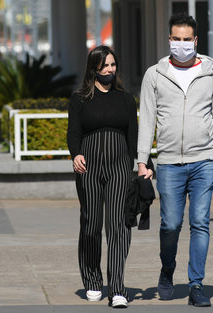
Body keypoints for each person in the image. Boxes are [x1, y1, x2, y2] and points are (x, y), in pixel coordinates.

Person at [137, 12, 213, 307]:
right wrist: (143, 160)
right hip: (168, 162)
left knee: (200, 223)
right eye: (176, 39)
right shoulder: (154, 75)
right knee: (169, 225)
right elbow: (147, 121)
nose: (181, 44)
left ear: (195, 40)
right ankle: (167, 271)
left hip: (204, 159)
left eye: (186, 40)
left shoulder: (209, 70)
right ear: (169, 40)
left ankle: (196, 284)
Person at [67, 45, 154, 308]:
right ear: (93, 68)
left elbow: (134, 135)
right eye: (105, 66)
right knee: (91, 223)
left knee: (119, 225)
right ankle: (92, 279)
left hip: (120, 165)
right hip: (89, 166)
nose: (110, 70)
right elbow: (74, 133)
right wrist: (75, 155)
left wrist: (143, 164)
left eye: (113, 65)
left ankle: (117, 287)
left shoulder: (126, 100)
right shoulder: (79, 98)